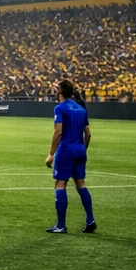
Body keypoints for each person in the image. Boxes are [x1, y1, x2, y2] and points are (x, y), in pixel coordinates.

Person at [45, 78, 95, 234]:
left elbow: (58, 132)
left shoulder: (60, 108)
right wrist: (82, 150)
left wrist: (51, 154)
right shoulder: (81, 109)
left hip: (66, 149)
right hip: (80, 149)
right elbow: (88, 134)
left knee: (60, 183)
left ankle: (61, 225)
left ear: (60, 91)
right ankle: (90, 219)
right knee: (80, 183)